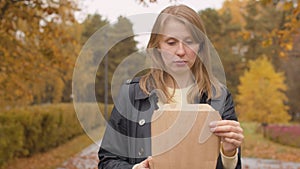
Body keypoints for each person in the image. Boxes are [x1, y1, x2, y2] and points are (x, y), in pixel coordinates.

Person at [98, 4, 244, 169]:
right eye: (171, 42)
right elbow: (107, 161)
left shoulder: (219, 97)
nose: (181, 51)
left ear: (201, 47)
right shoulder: (132, 94)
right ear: (157, 47)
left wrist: (230, 154)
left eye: (189, 41)